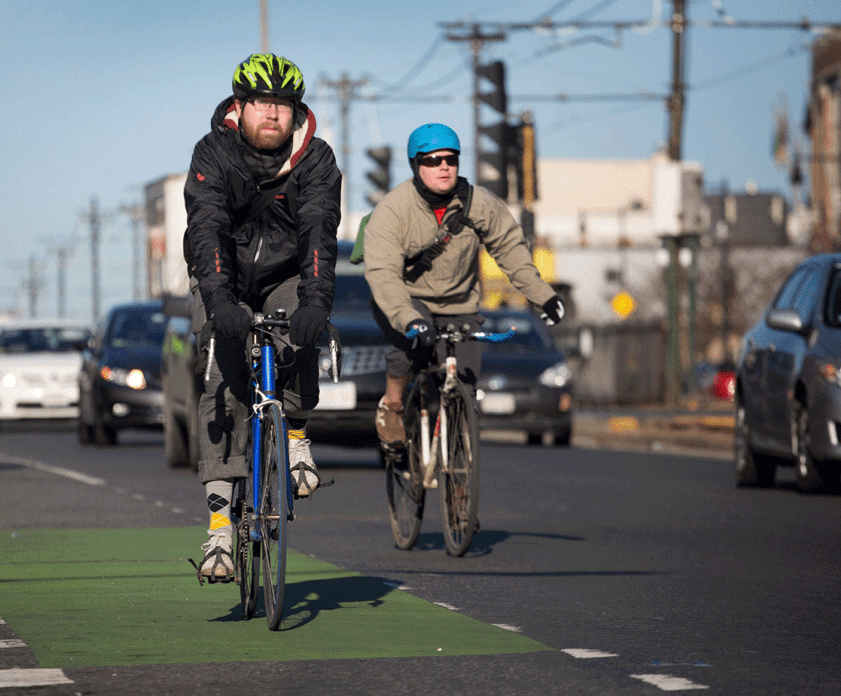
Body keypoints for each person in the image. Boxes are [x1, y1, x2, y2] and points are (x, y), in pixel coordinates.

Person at [185, 53, 342, 580]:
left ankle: (295, 432)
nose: (273, 115)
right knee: (224, 379)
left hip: (287, 274)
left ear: (295, 111)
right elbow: (206, 228)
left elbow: (319, 230)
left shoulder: (316, 159)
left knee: (301, 326)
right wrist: (218, 302)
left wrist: (317, 302)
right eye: (262, 104)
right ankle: (219, 532)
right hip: (221, 278)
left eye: (283, 105)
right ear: (240, 106)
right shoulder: (213, 153)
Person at [362, 123, 565, 448]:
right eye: (432, 160)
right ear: (415, 165)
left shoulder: (479, 204)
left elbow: (510, 250)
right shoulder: (393, 210)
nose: (443, 166)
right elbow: (383, 273)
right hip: (407, 300)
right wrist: (408, 317)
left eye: (451, 159)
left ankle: (459, 475)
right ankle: (394, 406)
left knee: (465, 390)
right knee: (407, 347)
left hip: (461, 307)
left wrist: (544, 297)